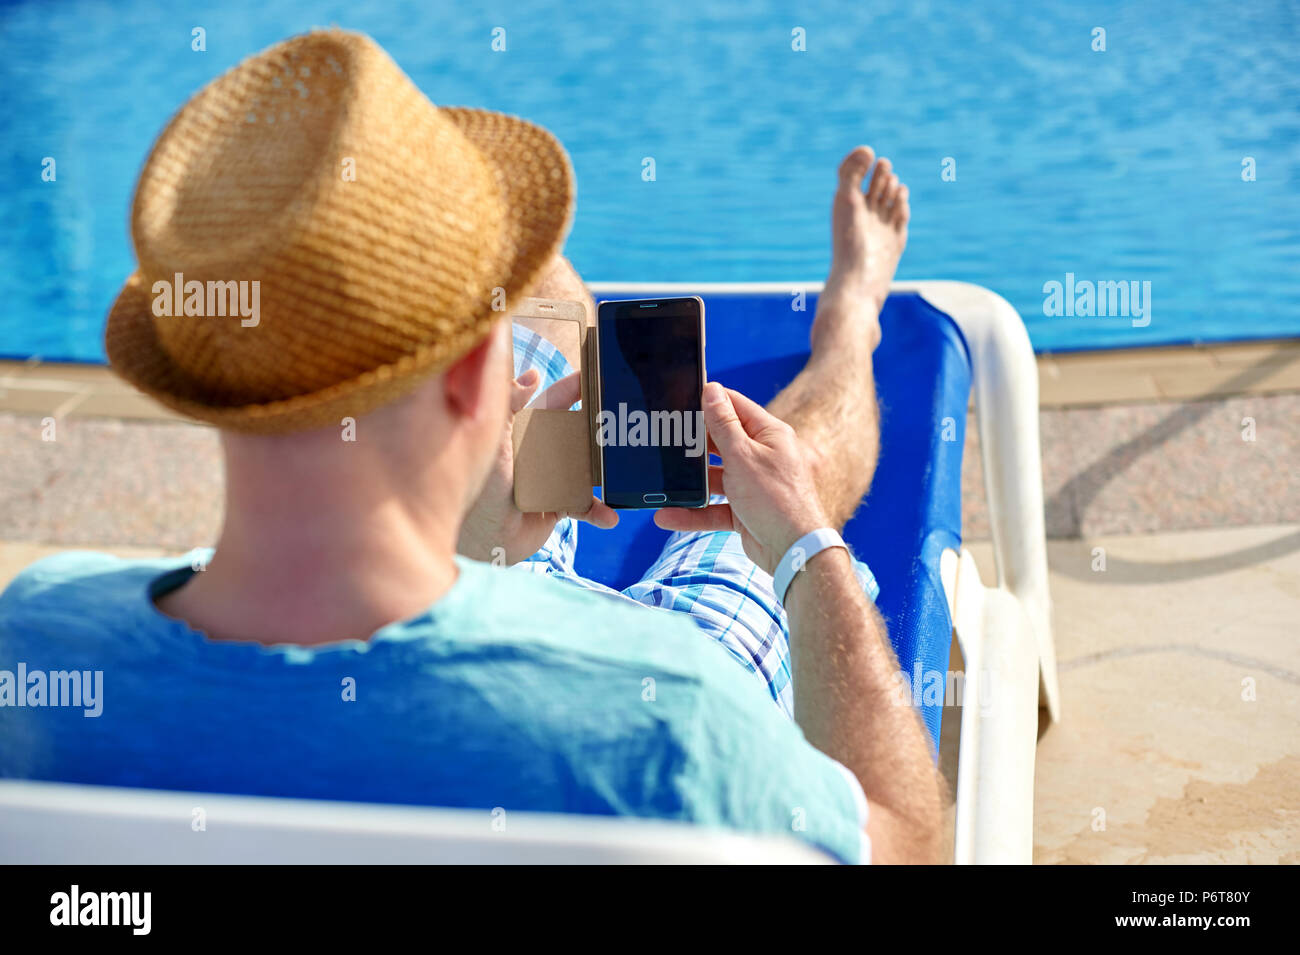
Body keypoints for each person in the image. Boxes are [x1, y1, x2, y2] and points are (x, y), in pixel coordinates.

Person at [0, 30, 941, 863]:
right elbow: (909, 842)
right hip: (606, 674)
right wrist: (808, 548)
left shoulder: (36, 645)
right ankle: (848, 326)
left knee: (557, 305)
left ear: (209, 385)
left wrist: (479, 552)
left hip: (456, 588)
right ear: (465, 379)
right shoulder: (675, 723)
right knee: (775, 480)